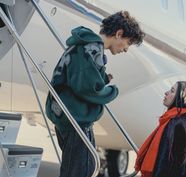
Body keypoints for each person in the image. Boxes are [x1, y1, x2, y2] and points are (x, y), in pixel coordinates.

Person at [45, 11, 145, 177]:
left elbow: (78, 78)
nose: (126, 49)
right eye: (128, 43)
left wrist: (102, 79)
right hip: (75, 117)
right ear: (119, 34)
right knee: (80, 170)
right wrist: (113, 91)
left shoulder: (85, 46)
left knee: (86, 165)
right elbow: (88, 89)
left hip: (68, 114)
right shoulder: (91, 48)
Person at [135, 81, 186, 177]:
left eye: (172, 91)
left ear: (182, 98)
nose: (166, 92)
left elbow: (178, 166)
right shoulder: (173, 120)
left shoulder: (179, 124)